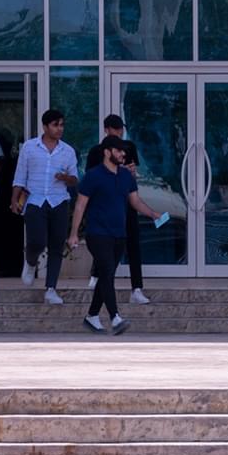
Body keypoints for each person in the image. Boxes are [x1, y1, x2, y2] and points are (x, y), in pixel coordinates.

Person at [69, 137, 161, 335]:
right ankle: (115, 317)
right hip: (97, 233)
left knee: (106, 274)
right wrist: (73, 234)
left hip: (119, 235)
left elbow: (135, 201)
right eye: (118, 150)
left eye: (123, 151)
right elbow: (80, 205)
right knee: (107, 271)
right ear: (107, 152)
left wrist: (153, 214)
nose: (123, 154)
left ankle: (92, 316)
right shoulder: (93, 175)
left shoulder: (126, 176)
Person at [11, 109, 78, 304]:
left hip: (59, 201)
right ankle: (31, 262)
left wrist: (65, 178)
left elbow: (74, 179)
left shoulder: (68, 151)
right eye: (55, 125)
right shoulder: (29, 147)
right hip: (35, 200)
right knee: (37, 240)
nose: (60, 129)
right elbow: (20, 176)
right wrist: (14, 200)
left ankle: (51, 288)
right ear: (45, 127)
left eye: (62, 125)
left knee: (57, 245)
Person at [94, 114, 151, 305]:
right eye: (115, 129)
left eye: (120, 129)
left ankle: (137, 288)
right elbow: (94, 176)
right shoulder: (97, 151)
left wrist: (131, 172)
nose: (118, 133)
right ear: (106, 130)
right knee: (104, 242)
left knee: (133, 243)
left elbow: (133, 176)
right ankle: (96, 275)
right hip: (105, 205)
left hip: (126, 202)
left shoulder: (129, 147)